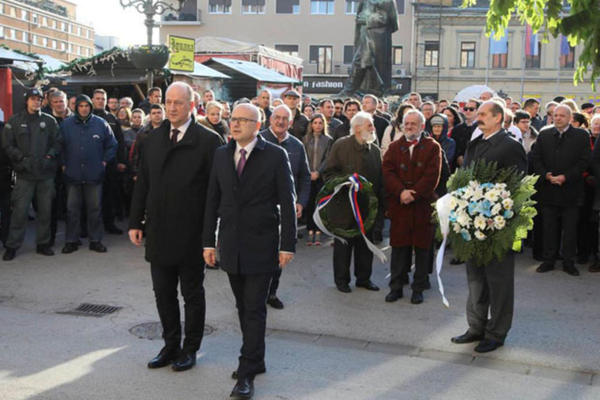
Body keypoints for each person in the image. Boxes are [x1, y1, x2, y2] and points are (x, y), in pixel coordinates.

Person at [203, 103, 296, 400]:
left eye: (243, 120)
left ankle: (246, 373)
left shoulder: (275, 155)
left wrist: (287, 244)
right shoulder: (221, 154)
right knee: (243, 307)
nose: (235, 124)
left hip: (262, 244)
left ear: (258, 125)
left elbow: (287, 200)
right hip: (230, 244)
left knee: (254, 308)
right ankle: (256, 358)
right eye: (234, 119)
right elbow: (211, 201)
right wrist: (208, 241)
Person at [129, 82, 224, 373]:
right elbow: (143, 182)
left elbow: (216, 193)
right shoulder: (152, 138)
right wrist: (135, 221)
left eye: (178, 103)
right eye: (168, 102)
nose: (171, 108)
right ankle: (170, 345)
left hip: (192, 232)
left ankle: (190, 348)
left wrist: (211, 236)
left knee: (192, 293)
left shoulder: (209, 141)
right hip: (159, 229)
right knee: (163, 292)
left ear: (191, 105)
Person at [451, 100, 527, 353]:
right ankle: (476, 327)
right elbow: (465, 178)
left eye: (483, 114)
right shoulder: (475, 143)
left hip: (498, 226)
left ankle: (496, 333)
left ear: (498, 118)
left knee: (499, 281)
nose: (478, 117)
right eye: (478, 113)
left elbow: (516, 186)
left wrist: (499, 215)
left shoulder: (510, 146)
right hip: (472, 223)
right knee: (476, 279)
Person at [382, 110, 441, 304]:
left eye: (413, 124)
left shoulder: (433, 147)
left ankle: (419, 287)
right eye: (406, 124)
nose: (408, 127)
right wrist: (400, 192)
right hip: (400, 206)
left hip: (422, 205)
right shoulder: (394, 146)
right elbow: (388, 172)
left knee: (423, 249)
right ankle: (396, 287)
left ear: (422, 127)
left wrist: (413, 193)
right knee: (399, 248)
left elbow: (432, 176)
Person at [323, 111, 383, 293]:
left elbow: (380, 179)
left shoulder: (375, 150)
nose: (373, 129)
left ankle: (363, 278)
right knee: (343, 245)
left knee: (365, 245)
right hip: (344, 207)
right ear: (357, 128)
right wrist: (345, 182)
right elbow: (329, 173)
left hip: (367, 208)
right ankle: (341, 280)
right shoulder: (341, 146)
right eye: (369, 125)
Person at [531, 104, 591, 277]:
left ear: (570, 118)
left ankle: (568, 262)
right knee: (549, 227)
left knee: (570, 229)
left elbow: (584, 161)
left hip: (571, 190)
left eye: (562, 116)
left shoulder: (581, 135)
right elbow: (536, 158)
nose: (558, 118)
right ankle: (549, 260)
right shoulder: (544, 134)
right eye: (555, 115)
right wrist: (546, 175)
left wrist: (566, 176)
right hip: (549, 189)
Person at [1, 88, 61, 261]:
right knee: (19, 212)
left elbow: (58, 142)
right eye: (33, 99)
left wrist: (49, 157)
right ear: (26, 101)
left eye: (39, 99)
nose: (36, 102)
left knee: (45, 211)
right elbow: (7, 144)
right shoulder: (15, 121)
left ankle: (43, 244)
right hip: (24, 175)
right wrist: (20, 159)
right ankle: (12, 246)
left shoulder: (49, 121)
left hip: (45, 175)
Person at [260, 104, 311, 310]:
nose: (280, 122)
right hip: (261, 207)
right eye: (277, 117)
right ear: (270, 119)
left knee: (278, 253)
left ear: (290, 123)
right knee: (259, 253)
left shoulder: (297, 145)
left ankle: (272, 292)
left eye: (285, 119)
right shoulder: (259, 140)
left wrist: (300, 202)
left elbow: (305, 178)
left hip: (285, 209)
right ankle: (255, 293)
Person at [60, 94, 117, 254]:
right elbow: (59, 145)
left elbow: (112, 145)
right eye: (81, 106)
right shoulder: (66, 125)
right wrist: (63, 164)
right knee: (72, 209)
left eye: (87, 106)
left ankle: (95, 240)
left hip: (94, 174)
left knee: (95, 209)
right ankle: (72, 240)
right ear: (76, 107)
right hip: (73, 174)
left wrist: (104, 162)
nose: (84, 109)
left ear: (90, 107)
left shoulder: (101, 124)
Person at [342, 0, 398, 95]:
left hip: (377, 36)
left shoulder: (387, 1)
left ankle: (352, 90)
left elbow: (390, 20)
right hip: (364, 35)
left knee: (367, 62)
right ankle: (350, 90)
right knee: (361, 61)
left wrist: (368, 19)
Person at [92, 89, 127, 234]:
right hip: (91, 164)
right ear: (93, 100)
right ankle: (87, 227)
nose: (101, 101)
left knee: (109, 196)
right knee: (90, 198)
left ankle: (109, 224)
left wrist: (121, 161)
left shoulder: (112, 119)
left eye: (103, 98)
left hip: (110, 164)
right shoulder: (87, 117)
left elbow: (120, 142)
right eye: (98, 98)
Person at [303, 113, 333, 246]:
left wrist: (318, 172)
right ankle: (310, 230)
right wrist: (309, 172)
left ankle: (319, 230)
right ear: (311, 124)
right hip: (307, 176)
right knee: (309, 203)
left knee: (319, 203)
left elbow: (328, 159)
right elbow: (303, 157)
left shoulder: (328, 140)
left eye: (320, 123)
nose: (318, 125)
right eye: (315, 122)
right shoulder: (305, 139)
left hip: (321, 177)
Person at [130, 104, 164, 180]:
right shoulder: (142, 133)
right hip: (146, 170)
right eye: (154, 113)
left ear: (163, 114)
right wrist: (136, 172)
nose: (157, 115)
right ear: (150, 116)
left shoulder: (169, 130)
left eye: (159, 113)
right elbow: (136, 154)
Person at [0, 121, 11, 249]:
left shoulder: (4, 129)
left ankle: (6, 239)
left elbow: (9, 149)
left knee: (6, 209)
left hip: (3, 175)